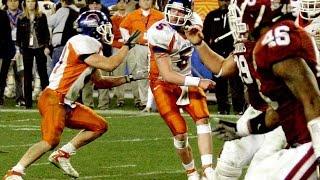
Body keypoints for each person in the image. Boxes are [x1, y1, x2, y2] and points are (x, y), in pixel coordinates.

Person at [185, 0, 320, 178]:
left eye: (243, 14)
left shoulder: (277, 42)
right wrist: (200, 44)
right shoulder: (250, 45)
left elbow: (309, 97)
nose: (239, 20)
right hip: (264, 112)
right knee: (233, 163)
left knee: (261, 171)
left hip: (293, 122)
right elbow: (223, 67)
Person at [3, 10, 141, 179]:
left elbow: (99, 81)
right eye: (103, 27)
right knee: (50, 141)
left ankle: (63, 154)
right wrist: (126, 46)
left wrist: (129, 78)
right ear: (93, 28)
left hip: (66, 102)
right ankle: (15, 171)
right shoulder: (81, 41)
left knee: (99, 125)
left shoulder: (91, 46)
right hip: (55, 97)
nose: (107, 31)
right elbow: (110, 64)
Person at [147, 0, 216, 179]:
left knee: (202, 117)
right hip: (163, 82)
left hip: (185, 78)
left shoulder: (195, 22)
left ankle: (209, 169)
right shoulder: (158, 31)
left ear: (189, 12)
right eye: (173, 11)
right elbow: (168, 74)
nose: (176, 16)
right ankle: (192, 172)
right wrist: (198, 82)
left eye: (180, 12)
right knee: (180, 132)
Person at [202, 0, 245, 115]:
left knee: (236, 82)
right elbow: (205, 37)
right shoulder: (211, 16)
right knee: (219, 82)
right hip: (216, 53)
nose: (223, 3)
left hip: (233, 52)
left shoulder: (236, 14)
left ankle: (239, 108)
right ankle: (222, 108)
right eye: (221, 0)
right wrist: (205, 54)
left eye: (226, 0)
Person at [120, 0, 163, 110]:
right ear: (139, 2)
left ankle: (158, 101)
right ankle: (144, 102)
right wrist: (128, 39)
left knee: (157, 74)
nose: (145, 2)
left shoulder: (159, 15)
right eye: (143, 0)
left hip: (155, 47)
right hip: (140, 47)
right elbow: (123, 27)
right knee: (142, 74)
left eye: (148, 0)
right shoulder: (132, 15)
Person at [15, 0, 50, 108]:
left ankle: (47, 101)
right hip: (27, 49)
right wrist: (18, 50)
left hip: (40, 47)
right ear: (25, 3)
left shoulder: (42, 16)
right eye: (28, 1)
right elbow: (18, 36)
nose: (30, 4)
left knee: (43, 74)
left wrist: (47, 46)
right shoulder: (21, 18)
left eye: (32, 1)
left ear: (35, 3)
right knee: (27, 75)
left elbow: (46, 33)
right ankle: (28, 103)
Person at [0, 8, 15, 106]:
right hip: (5, 49)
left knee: (2, 75)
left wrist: (10, 51)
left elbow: (7, 33)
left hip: (4, 50)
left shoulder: (3, 14)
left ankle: (0, 96)